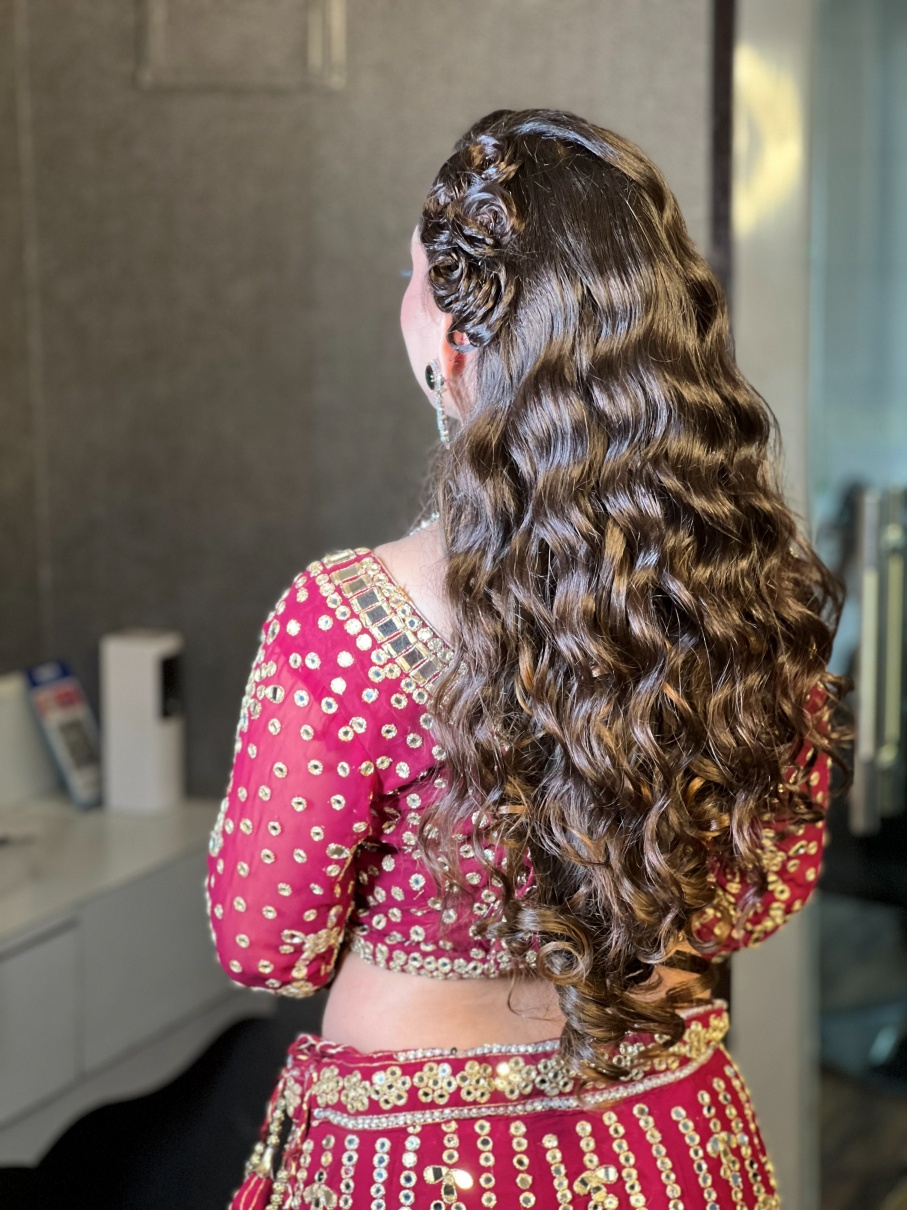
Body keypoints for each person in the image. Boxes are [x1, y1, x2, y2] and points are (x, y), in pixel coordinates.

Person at [206, 109, 850, 1210]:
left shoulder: (344, 623)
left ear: (453, 346)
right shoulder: (750, 594)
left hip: (410, 1163)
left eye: (411, 279)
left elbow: (268, 948)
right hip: (665, 1145)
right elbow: (755, 900)